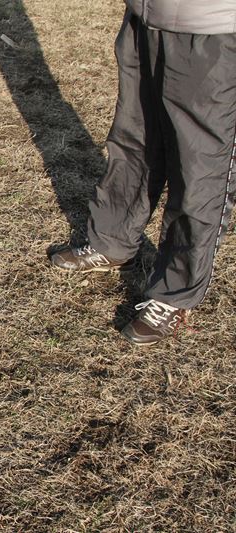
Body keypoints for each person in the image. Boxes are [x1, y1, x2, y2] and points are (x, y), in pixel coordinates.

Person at [51, 0, 236, 345]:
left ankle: (174, 293)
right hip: (146, 16)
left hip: (213, 27)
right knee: (133, 141)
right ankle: (112, 241)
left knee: (199, 167)